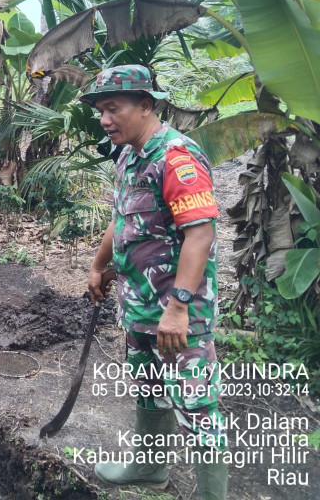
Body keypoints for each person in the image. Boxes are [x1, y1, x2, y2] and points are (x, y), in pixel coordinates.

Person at [83, 65, 227, 499]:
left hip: (178, 314)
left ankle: (212, 495)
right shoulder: (128, 154)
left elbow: (200, 233)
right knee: (148, 389)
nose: (105, 120)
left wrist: (179, 307)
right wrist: (98, 265)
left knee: (197, 406)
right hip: (139, 307)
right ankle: (149, 467)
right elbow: (122, 217)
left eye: (113, 109)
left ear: (146, 105)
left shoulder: (176, 157)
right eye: (100, 111)